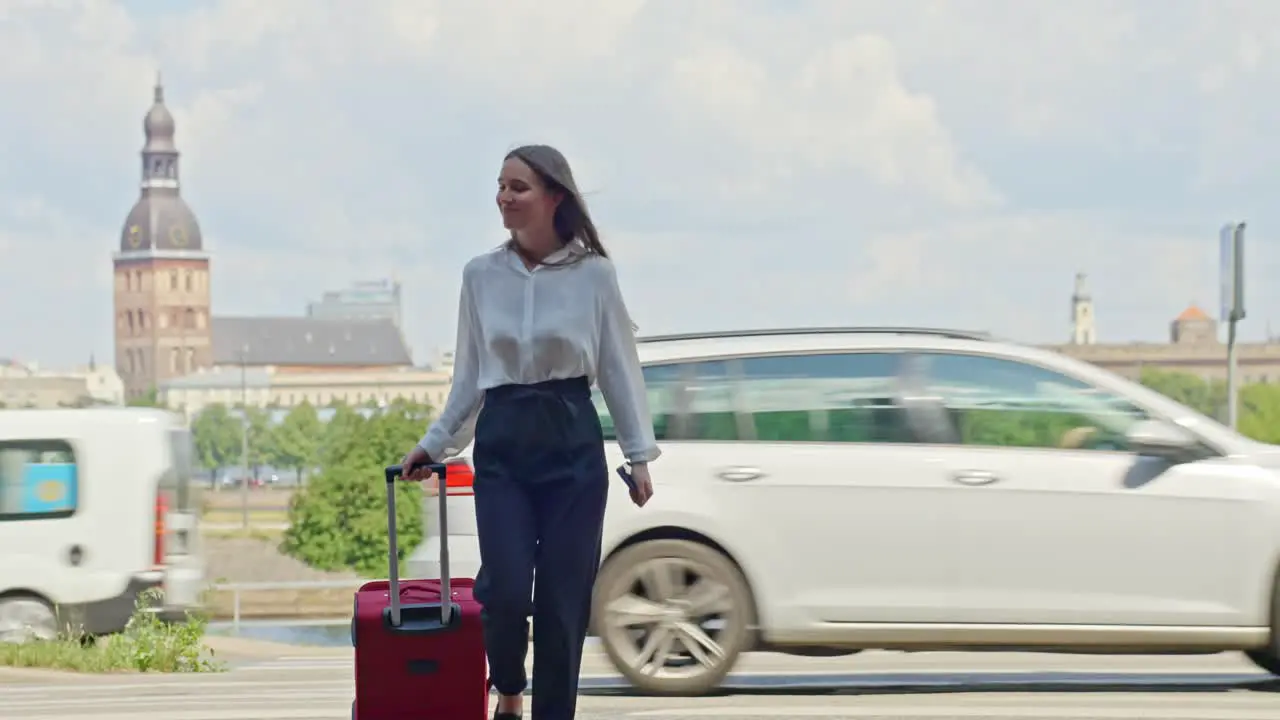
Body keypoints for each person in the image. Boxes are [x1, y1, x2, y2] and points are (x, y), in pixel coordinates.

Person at [400, 144, 659, 720]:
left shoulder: (594, 275)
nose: (504, 197)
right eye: (500, 186)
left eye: (518, 187)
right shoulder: (480, 276)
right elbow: (469, 376)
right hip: (504, 444)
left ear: (553, 197)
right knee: (507, 590)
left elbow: (619, 365)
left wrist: (639, 456)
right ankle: (510, 686)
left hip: (572, 443)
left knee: (564, 604)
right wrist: (435, 443)